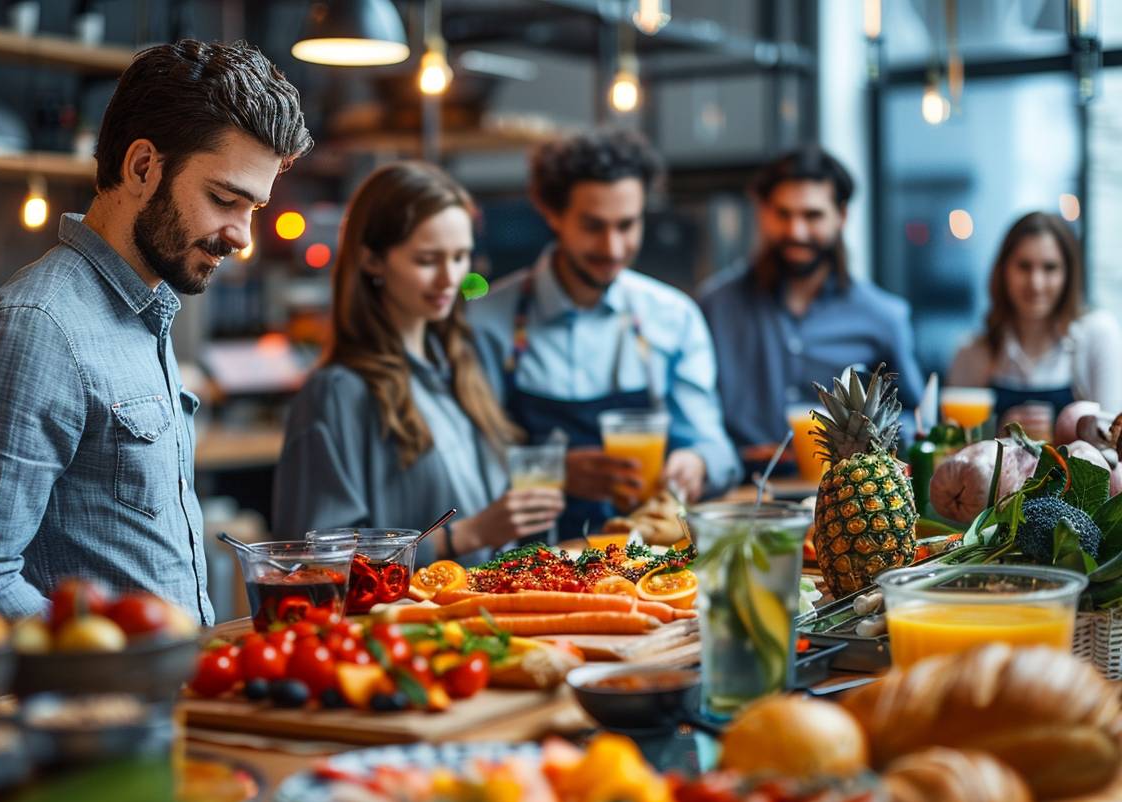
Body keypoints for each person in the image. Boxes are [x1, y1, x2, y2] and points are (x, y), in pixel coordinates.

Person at [0, 40, 312, 622]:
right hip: (106, 704)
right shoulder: (36, 332)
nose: (242, 236)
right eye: (225, 199)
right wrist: (121, 659)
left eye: (251, 208)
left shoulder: (145, 313)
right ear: (142, 168)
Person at [272, 162, 564, 566]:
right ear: (372, 260)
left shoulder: (460, 367)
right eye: (428, 260)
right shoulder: (337, 392)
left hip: (482, 618)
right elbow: (314, 560)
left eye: (460, 256)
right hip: (402, 626)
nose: (450, 278)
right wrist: (467, 535)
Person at [469, 129, 739, 538]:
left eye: (627, 225)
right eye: (593, 226)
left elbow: (717, 448)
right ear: (551, 212)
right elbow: (466, 466)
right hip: (528, 559)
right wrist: (552, 471)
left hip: (642, 558)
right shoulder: (486, 323)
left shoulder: (673, 317)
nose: (613, 248)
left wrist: (697, 463)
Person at [698, 147, 924, 464]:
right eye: (783, 214)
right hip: (740, 496)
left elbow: (918, 420)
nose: (796, 231)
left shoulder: (883, 316)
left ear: (841, 216)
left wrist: (862, 446)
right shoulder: (714, 306)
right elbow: (693, 416)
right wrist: (732, 455)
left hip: (849, 498)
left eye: (812, 215)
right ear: (763, 212)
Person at [948, 211, 1122, 424]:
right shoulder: (973, 352)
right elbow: (954, 446)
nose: (1036, 283)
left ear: (1068, 275)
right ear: (1003, 271)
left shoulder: (1097, 334)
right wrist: (1000, 433)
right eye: (1024, 266)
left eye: (1050, 268)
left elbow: (1114, 442)